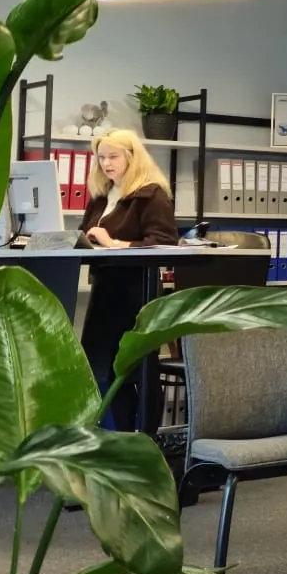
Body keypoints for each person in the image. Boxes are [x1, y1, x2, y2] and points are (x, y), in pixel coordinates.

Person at [76, 129, 179, 434]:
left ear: (132, 157)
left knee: (133, 371)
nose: (106, 163)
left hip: (136, 293)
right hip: (105, 290)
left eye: (113, 156)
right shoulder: (101, 197)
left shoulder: (150, 194)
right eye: (101, 157)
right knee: (98, 370)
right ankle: (114, 438)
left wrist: (113, 243)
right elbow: (86, 235)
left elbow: (164, 242)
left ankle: (141, 439)